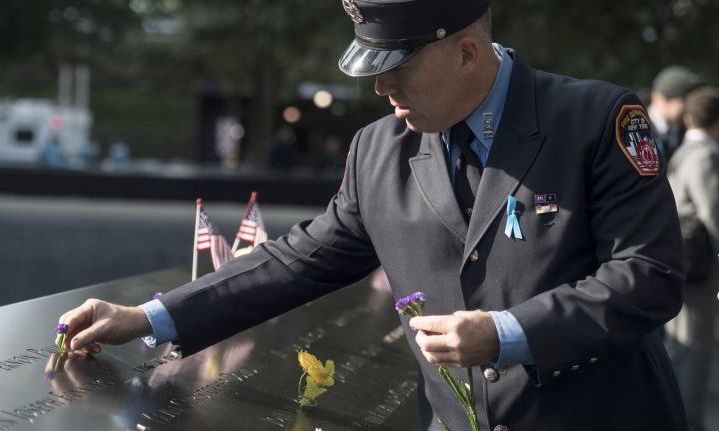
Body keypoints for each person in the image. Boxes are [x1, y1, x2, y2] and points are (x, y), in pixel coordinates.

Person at [56, 1, 687, 429]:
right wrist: (148, 316)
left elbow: (649, 274)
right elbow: (297, 259)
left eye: (398, 69)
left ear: (467, 53)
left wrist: (507, 333)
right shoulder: (379, 149)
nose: (382, 91)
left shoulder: (595, 121)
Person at [663, 87, 719, 431]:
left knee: (681, 352)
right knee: (691, 356)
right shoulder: (703, 157)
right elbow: (715, 216)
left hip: (683, 267)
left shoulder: (685, 151)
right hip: (698, 274)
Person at [648, 65, 703, 161]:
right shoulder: (639, 128)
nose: (690, 106)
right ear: (662, 100)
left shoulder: (683, 130)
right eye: (684, 100)